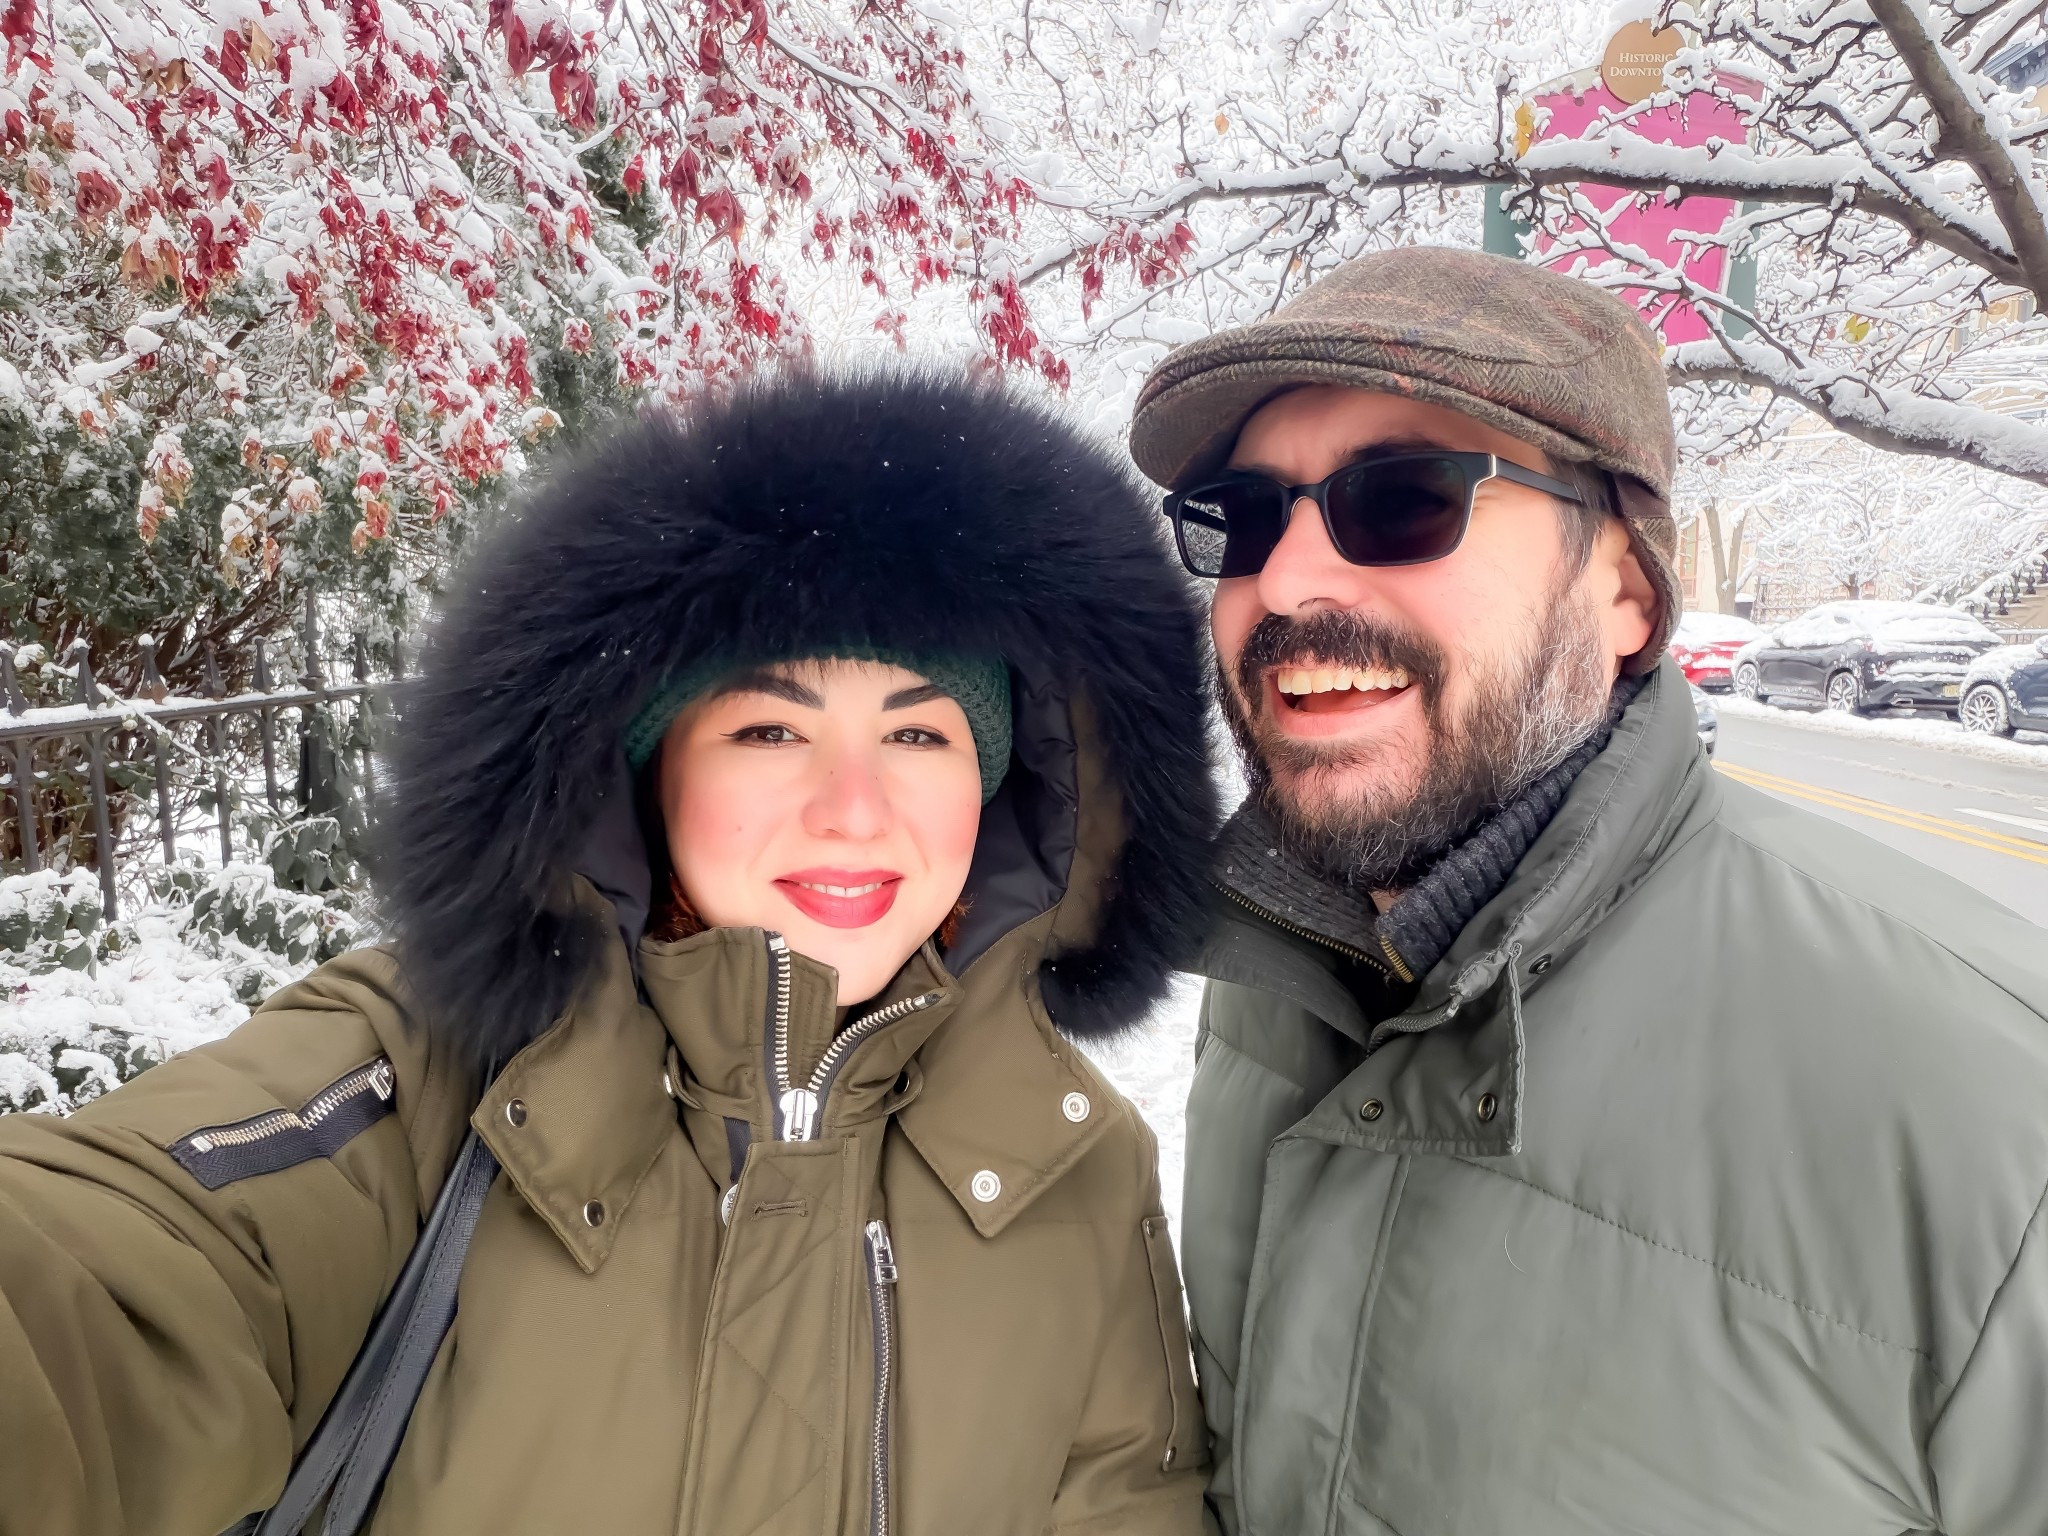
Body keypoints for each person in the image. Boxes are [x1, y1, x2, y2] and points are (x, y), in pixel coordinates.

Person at [0, 368, 1216, 1536]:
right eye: (768, 728)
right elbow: (113, 1281)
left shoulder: (1077, 1167)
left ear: (996, 788)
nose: (853, 811)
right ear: (649, 770)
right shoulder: (422, 1078)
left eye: (918, 735)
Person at [1130, 247, 2048, 1535]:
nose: (1281, 583)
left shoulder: (1992, 1113)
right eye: (1241, 517)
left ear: (1622, 590)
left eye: (1401, 500)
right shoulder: (1280, 970)